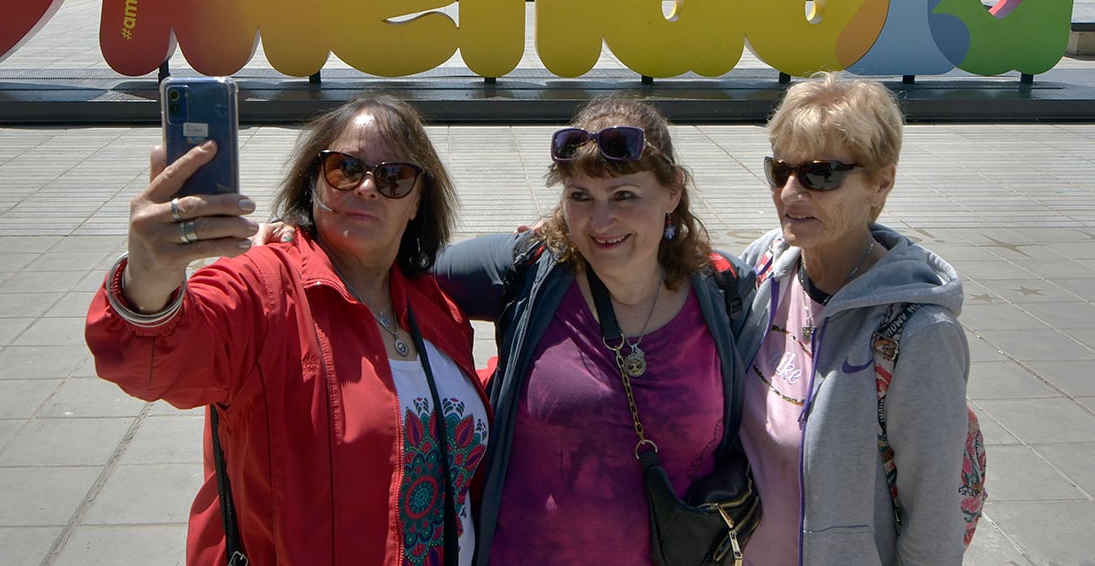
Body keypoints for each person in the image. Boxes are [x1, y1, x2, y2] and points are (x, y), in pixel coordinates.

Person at [85, 95, 490, 566]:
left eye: (394, 176)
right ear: (312, 181)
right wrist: (150, 279)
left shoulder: (434, 307)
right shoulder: (266, 287)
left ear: (418, 200)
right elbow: (158, 363)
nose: (367, 187)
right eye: (345, 168)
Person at [433, 96, 756, 565]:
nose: (600, 222)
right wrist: (299, 241)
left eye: (624, 195)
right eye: (580, 196)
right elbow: (392, 266)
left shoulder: (727, 293)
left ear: (672, 192)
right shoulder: (530, 271)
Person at [738, 71, 971, 565]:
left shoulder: (917, 333)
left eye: (820, 175)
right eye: (780, 171)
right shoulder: (764, 268)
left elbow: (932, 516)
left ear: (880, 181)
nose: (790, 194)